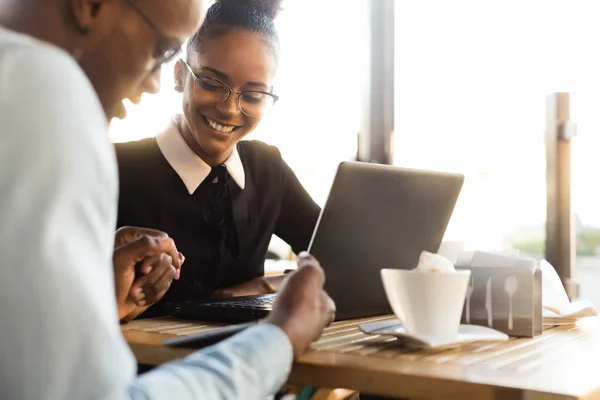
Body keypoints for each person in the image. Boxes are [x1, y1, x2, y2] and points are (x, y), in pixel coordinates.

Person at [0, 0, 336, 399]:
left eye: (255, 93)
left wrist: (104, 302)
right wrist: (279, 338)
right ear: (89, 7)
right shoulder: (45, 96)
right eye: (161, 49)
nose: (152, 84)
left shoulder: (266, 167)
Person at [116, 0, 321, 319]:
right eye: (212, 83)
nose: (229, 108)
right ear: (180, 76)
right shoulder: (117, 168)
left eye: (253, 95)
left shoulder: (267, 169)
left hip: (250, 360)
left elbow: (340, 260)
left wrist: (265, 287)